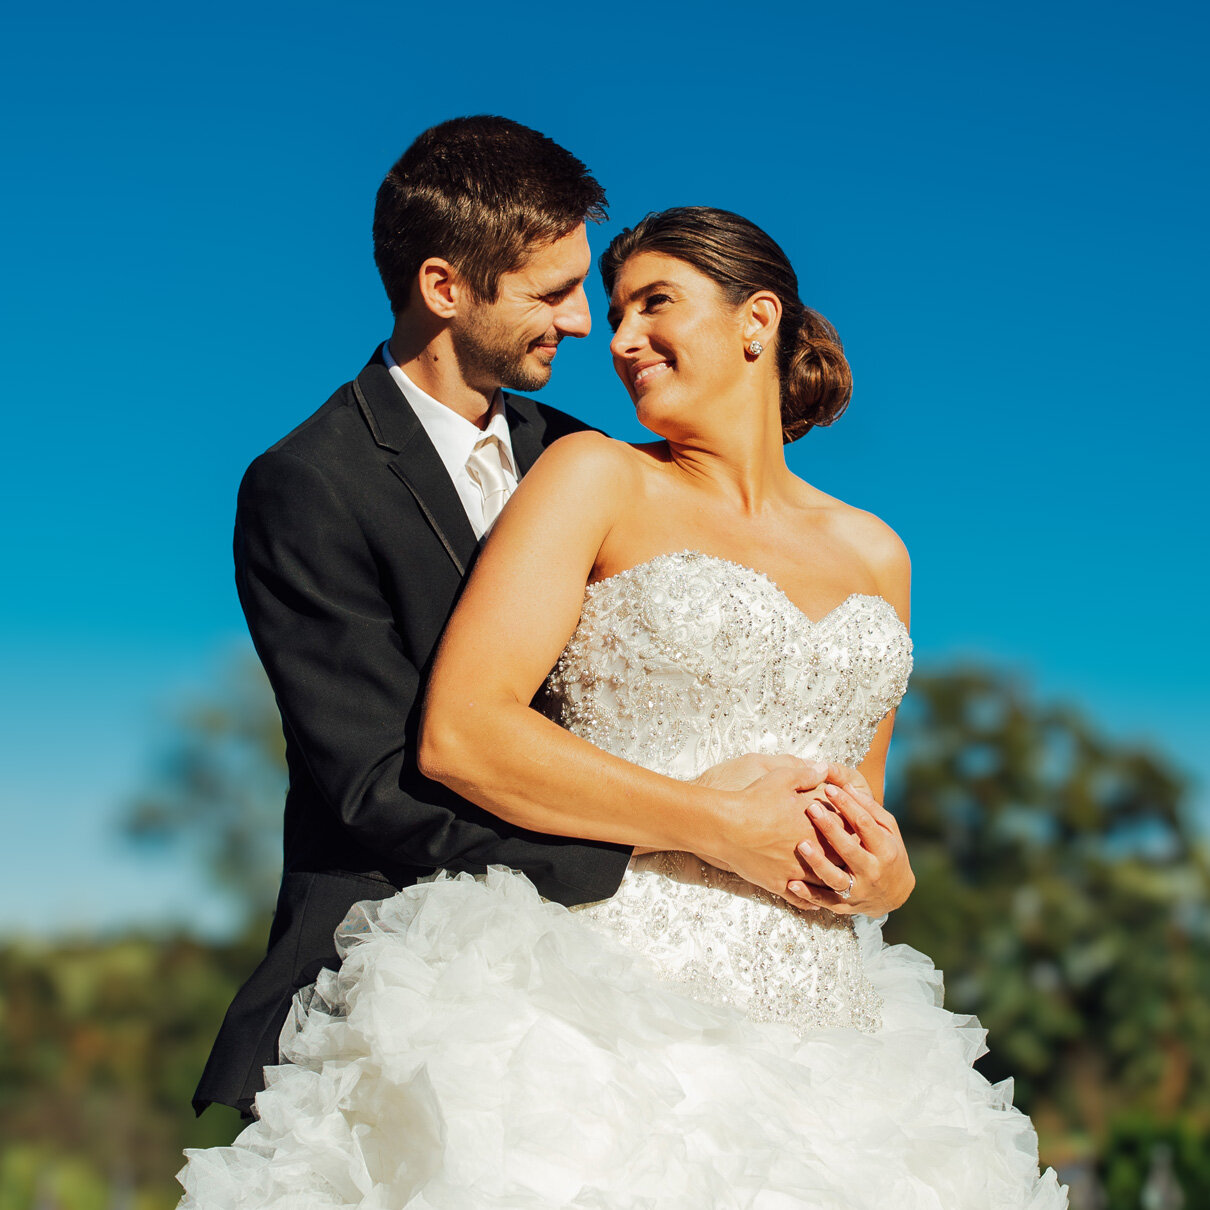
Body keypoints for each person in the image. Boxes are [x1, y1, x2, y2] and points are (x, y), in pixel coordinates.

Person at [178, 208, 1067, 1207]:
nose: (620, 337)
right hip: (606, 990)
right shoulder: (593, 473)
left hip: (833, 1031)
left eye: (655, 303)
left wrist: (888, 877)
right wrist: (721, 826)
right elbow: (466, 730)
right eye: (611, 309)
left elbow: (860, 795)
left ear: (756, 320)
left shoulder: (877, 550)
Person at [194, 119, 900, 1119]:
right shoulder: (309, 484)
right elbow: (377, 782)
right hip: (434, 961)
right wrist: (682, 843)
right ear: (445, 288)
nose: (588, 330)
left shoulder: (586, 453)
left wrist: (863, 870)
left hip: (776, 969)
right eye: (557, 293)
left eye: (604, 296)